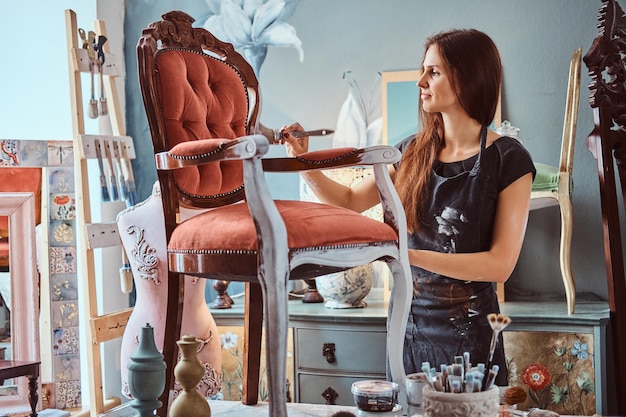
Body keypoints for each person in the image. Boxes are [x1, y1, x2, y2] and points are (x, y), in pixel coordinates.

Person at [282, 29, 535, 386]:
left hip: (472, 338)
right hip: (408, 330)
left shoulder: (509, 159)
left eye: (434, 72)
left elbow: (500, 264)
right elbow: (349, 201)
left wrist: (406, 255)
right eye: (423, 70)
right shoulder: (410, 152)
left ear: (467, 78)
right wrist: (303, 159)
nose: (420, 81)